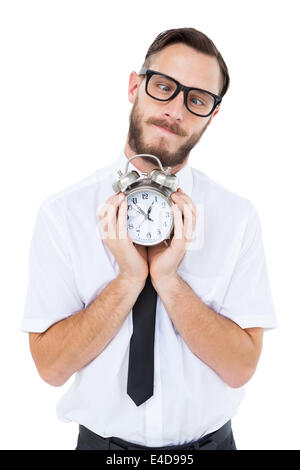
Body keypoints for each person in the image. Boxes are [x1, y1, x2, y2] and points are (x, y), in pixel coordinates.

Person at [21, 27, 277, 451]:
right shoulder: (61, 215)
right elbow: (50, 368)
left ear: (212, 115)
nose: (175, 109)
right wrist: (127, 280)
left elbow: (241, 368)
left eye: (196, 99)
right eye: (163, 87)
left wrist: (170, 282)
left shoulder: (237, 218)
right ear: (134, 86)